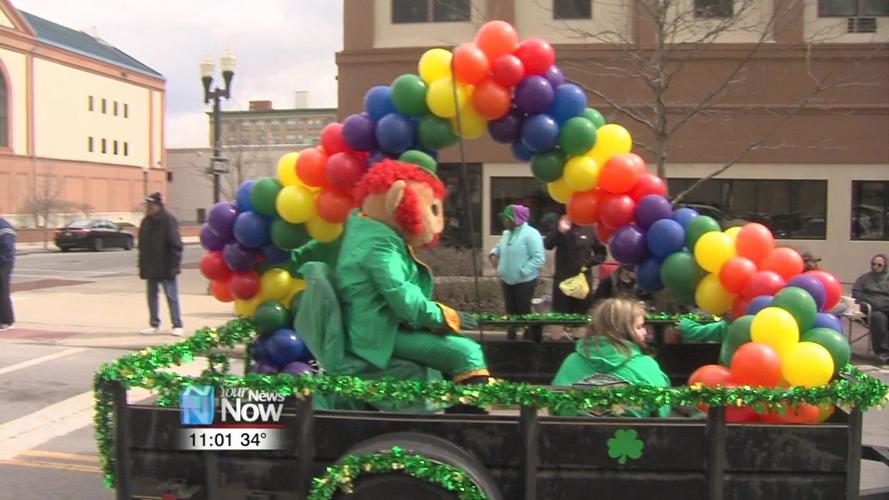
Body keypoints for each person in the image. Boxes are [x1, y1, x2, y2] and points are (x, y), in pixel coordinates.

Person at [552, 298, 670, 417]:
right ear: (622, 331)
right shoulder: (646, 365)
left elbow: (555, 406)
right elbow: (662, 412)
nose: (645, 332)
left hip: (572, 434)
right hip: (634, 434)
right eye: (639, 327)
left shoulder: (571, 362)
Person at [489, 204, 545, 341]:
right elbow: (499, 248)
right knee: (510, 310)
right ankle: (511, 338)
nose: (504, 222)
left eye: (506, 219)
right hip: (507, 279)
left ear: (516, 220)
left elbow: (539, 258)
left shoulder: (531, 234)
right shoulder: (507, 234)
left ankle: (528, 339)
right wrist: (493, 254)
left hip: (524, 281)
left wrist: (524, 271)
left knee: (524, 311)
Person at [138, 192, 184, 336]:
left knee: (171, 296)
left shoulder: (169, 220)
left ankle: (177, 324)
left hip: (166, 266)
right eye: (147, 206)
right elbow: (142, 246)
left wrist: (174, 265)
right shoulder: (145, 222)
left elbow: (176, 245)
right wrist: (142, 266)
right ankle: (154, 324)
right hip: (151, 267)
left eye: (151, 205)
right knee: (151, 297)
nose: (148, 208)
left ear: (158, 206)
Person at [544, 215, 607, 314]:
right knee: (560, 317)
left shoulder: (591, 229)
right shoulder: (562, 225)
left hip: (582, 281)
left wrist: (587, 263)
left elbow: (602, 254)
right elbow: (547, 245)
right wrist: (559, 231)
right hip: (562, 280)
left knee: (580, 317)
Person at [851, 254, 889, 363]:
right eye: (873, 264)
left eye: (879, 265)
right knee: (878, 319)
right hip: (873, 309)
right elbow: (856, 294)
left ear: (885, 266)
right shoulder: (864, 278)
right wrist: (871, 302)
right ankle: (883, 351)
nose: (875, 267)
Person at [0, 213, 15, 331]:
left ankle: (6, 320)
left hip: (3, 265)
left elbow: (7, 250)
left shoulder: (5, 228)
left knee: (2, 292)